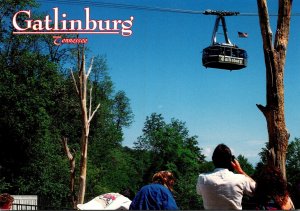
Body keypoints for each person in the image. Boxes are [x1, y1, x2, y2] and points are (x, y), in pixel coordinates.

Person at [196, 143, 256, 210]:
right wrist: (240, 171)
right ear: (231, 161)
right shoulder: (241, 179)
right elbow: (256, 190)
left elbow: (199, 192)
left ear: (213, 159)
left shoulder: (202, 178)